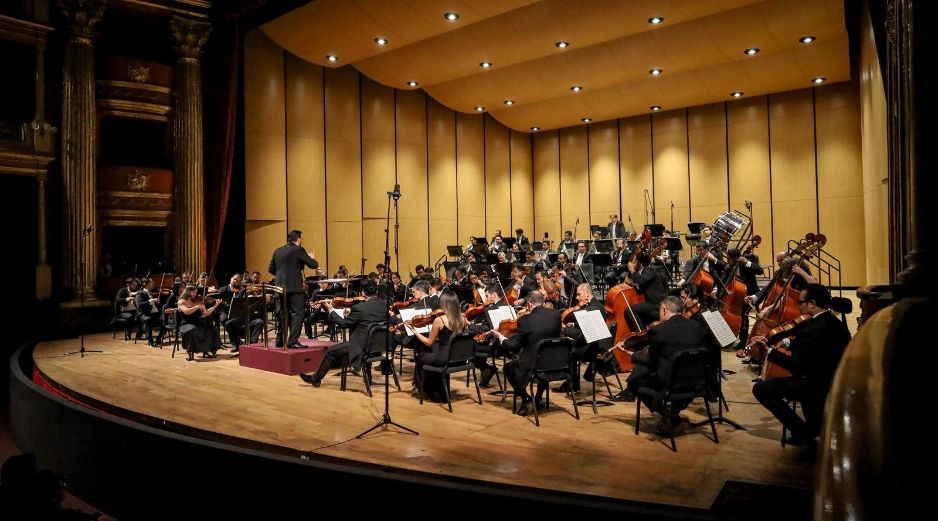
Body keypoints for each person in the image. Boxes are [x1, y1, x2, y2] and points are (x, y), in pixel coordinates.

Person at [752, 284, 851, 446]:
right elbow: (811, 342)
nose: (798, 306)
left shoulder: (812, 330)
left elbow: (796, 365)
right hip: (836, 379)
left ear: (811, 304)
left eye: (800, 302)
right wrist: (787, 341)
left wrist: (769, 352)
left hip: (817, 385)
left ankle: (802, 432)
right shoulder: (834, 322)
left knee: (762, 389)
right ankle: (813, 427)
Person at [625, 296, 709, 434]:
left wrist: (633, 356)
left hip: (670, 385)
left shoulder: (659, 331)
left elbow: (652, 361)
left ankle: (669, 416)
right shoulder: (698, 327)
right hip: (696, 382)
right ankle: (674, 414)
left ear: (664, 310)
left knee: (635, 381)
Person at [299, 280, 388, 387]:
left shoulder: (359, 308)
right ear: (376, 290)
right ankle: (368, 378)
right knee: (365, 338)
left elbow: (343, 324)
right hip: (380, 346)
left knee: (331, 351)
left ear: (363, 292)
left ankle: (315, 379)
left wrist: (331, 310)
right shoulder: (384, 304)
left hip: (362, 347)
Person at [493, 291, 563, 416]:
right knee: (540, 359)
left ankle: (525, 397)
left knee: (508, 368)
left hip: (534, 366)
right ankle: (538, 398)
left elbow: (514, 347)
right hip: (554, 363)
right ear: (542, 302)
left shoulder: (525, 320)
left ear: (529, 304)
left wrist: (500, 337)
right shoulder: (556, 315)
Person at [411, 290, 481, 402]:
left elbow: (429, 342)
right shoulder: (463, 319)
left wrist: (413, 330)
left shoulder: (440, 320)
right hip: (460, 359)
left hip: (444, 359)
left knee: (420, 357)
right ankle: (436, 390)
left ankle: (424, 390)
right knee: (432, 353)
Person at [268, 229, 319, 348]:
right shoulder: (298, 249)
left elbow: (270, 269)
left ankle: (280, 340)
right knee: (298, 313)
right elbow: (313, 265)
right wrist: (312, 258)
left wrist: (283, 276)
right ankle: (292, 341)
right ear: (298, 239)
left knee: (282, 314)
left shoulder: (277, 251)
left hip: (279, 287)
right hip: (294, 287)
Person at [176, 284, 223, 361]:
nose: (195, 294)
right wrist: (197, 306)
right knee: (193, 330)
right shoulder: (182, 301)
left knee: (212, 329)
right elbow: (187, 312)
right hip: (187, 323)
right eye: (193, 292)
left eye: (196, 292)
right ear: (188, 292)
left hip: (198, 322)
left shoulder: (196, 300)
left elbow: (206, 313)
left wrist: (216, 305)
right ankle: (190, 352)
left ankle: (208, 350)